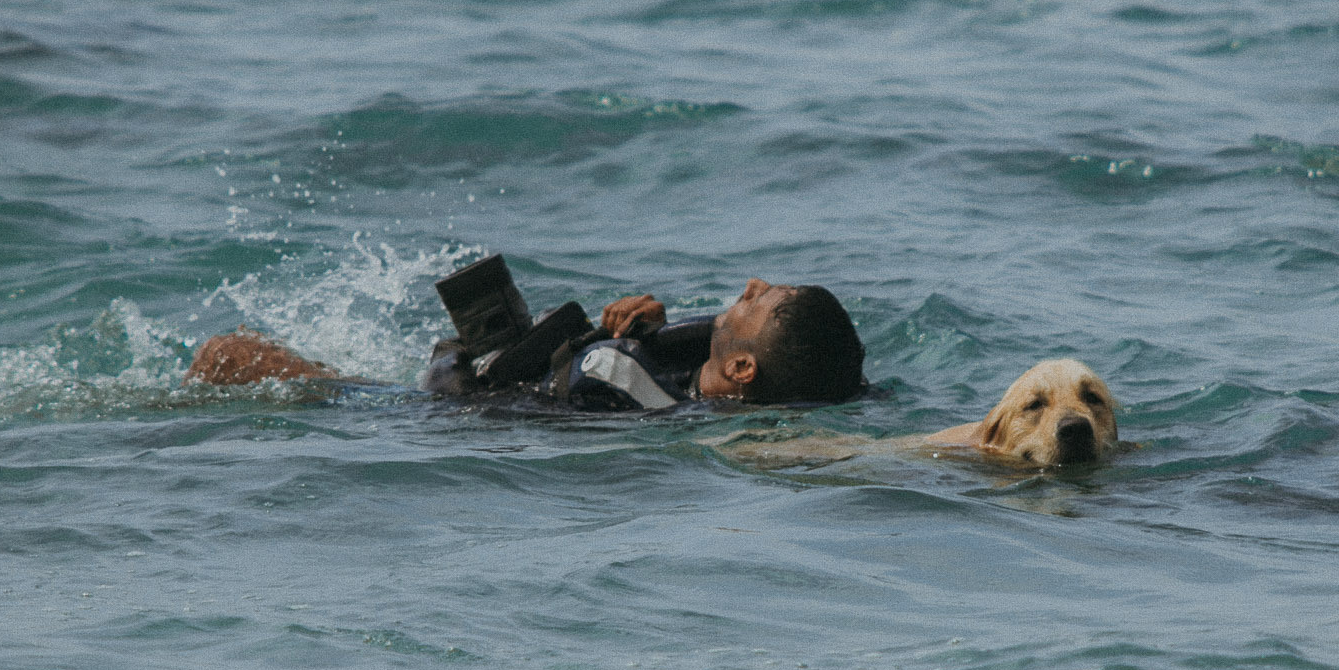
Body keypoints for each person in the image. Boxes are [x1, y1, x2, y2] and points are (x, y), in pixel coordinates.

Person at [186, 276, 865, 410]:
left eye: (757, 301)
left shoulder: (619, 383)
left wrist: (457, 349)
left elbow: (462, 398)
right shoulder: (725, 372)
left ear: (743, 368)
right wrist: (651, 324)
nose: (749, 284)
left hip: (435, 414)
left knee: (228, 355)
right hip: (520, 383)